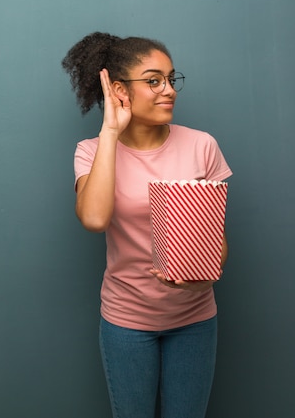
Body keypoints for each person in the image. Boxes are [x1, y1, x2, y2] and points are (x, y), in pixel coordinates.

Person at [62, 32, 232, 418]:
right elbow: (93, 218)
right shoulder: (91, 151)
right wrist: (110, 132)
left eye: (172, 79)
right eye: (154, 81)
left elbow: (218, 243)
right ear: (119, 90)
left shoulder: (201, 146)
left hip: (195, 319)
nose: (168, 90)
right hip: (127, 322)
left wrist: (204, 274)